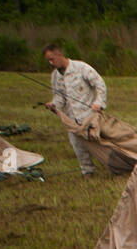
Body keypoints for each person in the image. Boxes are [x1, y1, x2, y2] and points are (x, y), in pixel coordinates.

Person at [43, 44, 107, 177]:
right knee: (77, 145)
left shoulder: (81, 68)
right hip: (71, 118)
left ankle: (113, 165)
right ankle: (87, 171)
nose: (51, 63)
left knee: (101, 143)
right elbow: (59, 97)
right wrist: (54, 105)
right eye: (48, 61)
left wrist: (99, 102)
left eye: (52, 59)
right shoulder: (55, 76)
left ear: (59, 54)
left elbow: (99, 84)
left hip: (89, 115)